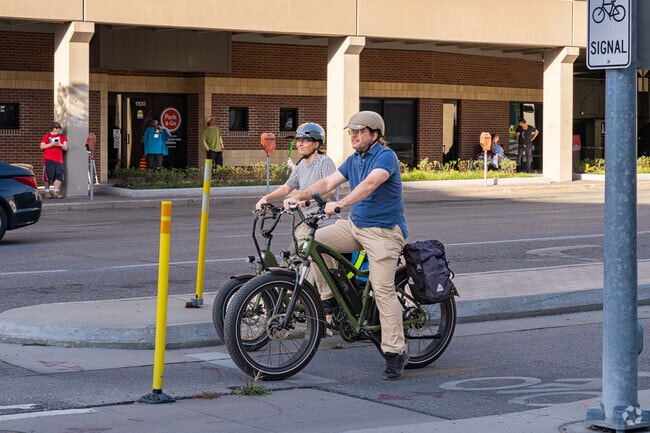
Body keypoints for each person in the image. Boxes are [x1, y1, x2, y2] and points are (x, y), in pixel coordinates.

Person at [284, 111, 409, 380]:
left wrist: (341, 203)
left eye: (359, 131)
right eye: (350, 131)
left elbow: (370, 184)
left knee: (382, 289)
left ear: (374, 135)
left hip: (384, 233)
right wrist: (299, 197)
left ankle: (395, 352)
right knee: (314, 241)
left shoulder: (385, 157)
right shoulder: (353, 159)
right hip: (356, 227)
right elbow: (327, 183)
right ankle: (330, 299)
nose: (353, 135)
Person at [39, 121, 68, 199]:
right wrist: (52, 144)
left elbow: (65, 148)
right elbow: (42, 146)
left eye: (58, 130)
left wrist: (60, 144)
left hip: (59, 159)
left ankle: (55, 192)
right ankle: (47, 192)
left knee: (59, 176)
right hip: (48, 158)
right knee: (47, 176)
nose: (57, 132)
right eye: (55, 130)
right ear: (51, 130)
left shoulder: (62, 137)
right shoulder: (47, 136)